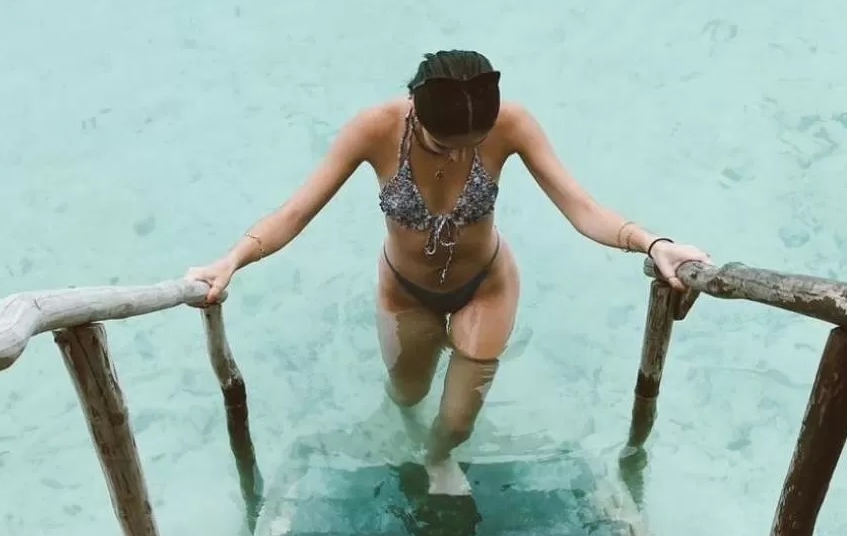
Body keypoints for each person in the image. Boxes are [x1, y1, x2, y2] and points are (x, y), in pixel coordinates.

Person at [187, 50, 709, 495]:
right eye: (444, 145)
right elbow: (295, 212)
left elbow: (580, 205)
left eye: (470, 143)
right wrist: (231, 260)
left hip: (485, 286)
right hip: (405, 293)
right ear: (414, 105)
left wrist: (653, 242)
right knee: (407, 394)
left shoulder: (512, 124)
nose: (459, 154)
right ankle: (406, 427)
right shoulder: (374, 129)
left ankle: (437, 456)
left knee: (457, 420)